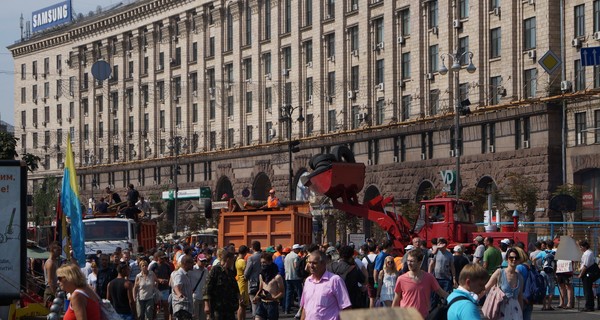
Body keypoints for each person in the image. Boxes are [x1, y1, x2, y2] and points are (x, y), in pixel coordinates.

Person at [392, 249, 448, 319]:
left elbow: (441, 292)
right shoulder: (401, 279)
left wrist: (456, 297)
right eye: (408, 261)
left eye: (412, 261)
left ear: (419, 262)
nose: (409, 263)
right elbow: (396, 300)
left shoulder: (429, 277)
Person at [300, 250, 351, 320]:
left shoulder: (335, 280)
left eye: (314, 263)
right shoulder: (308, 281)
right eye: (309, 262)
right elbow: (305, 307)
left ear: (323, 264)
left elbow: (346, 308)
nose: (311, 266)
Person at [484, 248, 524, 320]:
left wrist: (521, 313)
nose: (514, 259)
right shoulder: (499, 272)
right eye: (511, 257)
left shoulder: (520, 277)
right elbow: (486, 288)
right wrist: (474, 298)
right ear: (507, 259)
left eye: (516, 258)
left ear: (518, 260)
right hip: (501, 310)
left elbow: (520, 297)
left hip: (516, 312)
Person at [204, 251, 240, 320]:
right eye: (232, 260)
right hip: (217, 307)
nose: (233, 262)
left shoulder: (230, 272)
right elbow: (207, 288)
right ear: (228, 259)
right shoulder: (215, 270)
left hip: (229, 307)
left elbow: (235, 286)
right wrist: (206, 305)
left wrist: (239, 296)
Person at [252, 253, 284, 320]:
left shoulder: (277, 277)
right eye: (261, 263)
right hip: (262, 303)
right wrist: (256, 297)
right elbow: (260, 288)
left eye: (264, 262)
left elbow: (282, 292)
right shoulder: (261, 275)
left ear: (270, 262)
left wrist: (273, 298)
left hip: (272, 304)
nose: (263, 264)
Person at [428, 237, 456, 308]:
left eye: (441, 244)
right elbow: (431, 264)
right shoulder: (436, 253)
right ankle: (433, 311)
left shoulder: (449, 255)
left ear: (445, 245)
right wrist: (429, 275)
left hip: (446, 278)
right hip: (436, 278)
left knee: (446, 296)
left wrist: (454, 278)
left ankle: (445, 311)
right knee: (434, 297)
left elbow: (452, 266)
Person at [149, 251, 172, 320]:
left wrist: (167, 281)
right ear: (157, 258)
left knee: (166, 305)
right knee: (155, 306)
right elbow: (150, 276)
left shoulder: (167, 266)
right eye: (161, 258)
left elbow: (170, 276)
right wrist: (158, 280)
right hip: (156, 288)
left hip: (165, 288)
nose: (163, 259)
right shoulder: (153, 266)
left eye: (164, 258)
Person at [171, 255, 194, 320]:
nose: (193, 265)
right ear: (186, 264)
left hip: (187, 308)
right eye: (191, 263)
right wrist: (179, 294)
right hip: (181, 308)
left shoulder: (186, 274)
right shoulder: (179, 274)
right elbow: (176, 286)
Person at [245, 241, 263, 316]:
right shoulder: (263, 256)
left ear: (253, 248)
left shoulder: (251, 258)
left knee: (254, 303)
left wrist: (246, 277)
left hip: (253, 282)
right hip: (263, 282)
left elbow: (247, 272)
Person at [284, 244, 302, 314]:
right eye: (298, 249)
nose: (299, 250)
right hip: (295, 277)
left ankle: (287, 309)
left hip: (287, 277)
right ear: (295, 249)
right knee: (299, 293)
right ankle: (300, 309)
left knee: (288, 293)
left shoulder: (287, 256)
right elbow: (296, 266)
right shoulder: (296, 256)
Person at [190, 254, 209, 320]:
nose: (203, 263)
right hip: (195, 297)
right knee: (194, 317)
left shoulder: (206, 270)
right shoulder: (192, 269)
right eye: (202, 261)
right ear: (197, 260)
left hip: (203, 297)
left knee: (203, 317)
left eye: (204, 261)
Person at [43, 241, 62, 307]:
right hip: (50, 291)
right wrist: (55, 294)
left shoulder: (55, 262)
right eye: (58, 250)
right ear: (52, 249)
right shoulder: (50, 263)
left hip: (54, 289)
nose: (60, 252)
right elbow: (50, 281)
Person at [578, 240, 595, 312]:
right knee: (588, 289)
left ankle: (588, 306)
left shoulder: (587, 254)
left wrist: (581, 274)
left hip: (587, 272)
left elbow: (585, 265)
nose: (580, 248)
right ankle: (590, 305)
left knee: (587, 290)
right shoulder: (587, 253)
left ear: (585, 247)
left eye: (581, 247)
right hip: (586, 272)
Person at [236, 245, 250, 320]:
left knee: (242, 305)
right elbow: (246, 272)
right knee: (242, 305)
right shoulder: (243, 261)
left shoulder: (237, 260)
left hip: (239, 282)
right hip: (243, 284)